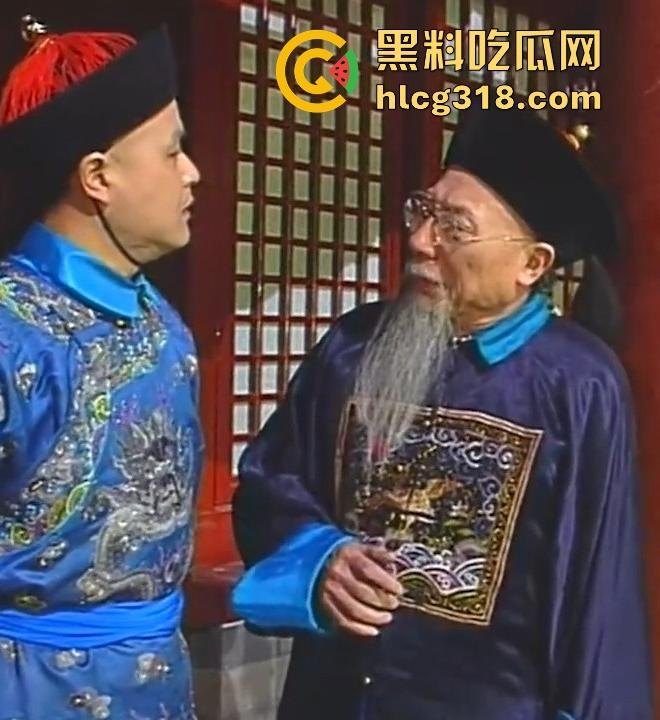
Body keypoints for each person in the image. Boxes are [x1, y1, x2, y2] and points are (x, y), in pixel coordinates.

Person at [231, 106, 653, 720]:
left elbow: (598, 598)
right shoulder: (353, 346)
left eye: (454, 227)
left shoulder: (578, 384)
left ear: (532, 265)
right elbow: (271, 483)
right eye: (423, 212)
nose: (421, 241)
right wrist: (320, 561)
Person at [0, 16, 202, 719]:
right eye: (172, 152)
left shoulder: (163, 323)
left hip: (157, 677)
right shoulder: (11, 332)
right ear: (97, 177)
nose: (192, 172)